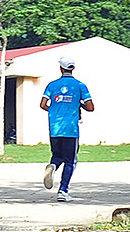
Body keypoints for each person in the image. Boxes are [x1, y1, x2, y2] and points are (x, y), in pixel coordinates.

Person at [39, 55, 95, 202]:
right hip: (71, 129)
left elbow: (43, 104)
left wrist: (54, 110)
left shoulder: (52, 85)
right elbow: (90, 107)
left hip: (54, 128)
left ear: (61, 68)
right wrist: (78, 104)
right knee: (70, 161)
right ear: (73, 68)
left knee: (57, 156)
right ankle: (63, 191)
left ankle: (53, 166)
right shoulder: (80, 86)